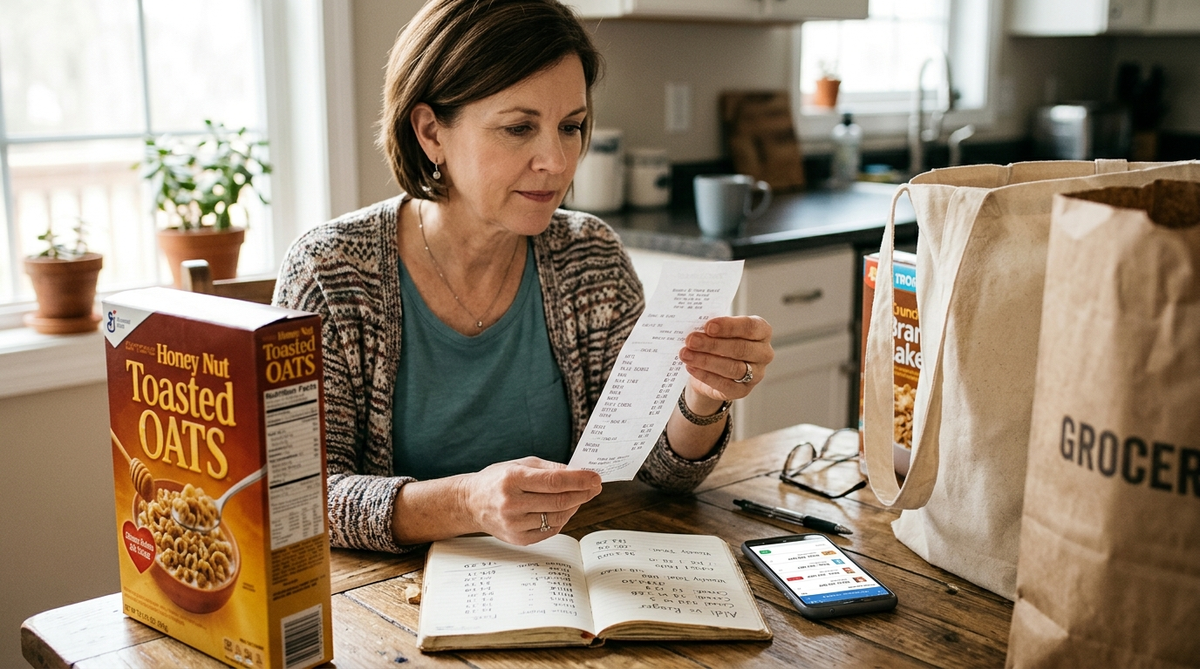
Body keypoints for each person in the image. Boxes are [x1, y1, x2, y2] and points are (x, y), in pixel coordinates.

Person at [273, 0, 775, 554]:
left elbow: (662, 473)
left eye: (571, 127)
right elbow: (304, 497)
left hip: (560, 580)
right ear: (430, 133)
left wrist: (702, 396)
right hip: (389, 602)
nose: (557, 161)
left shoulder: (590, 258)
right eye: (518, 128)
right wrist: (468, 501)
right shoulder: (330, 272)